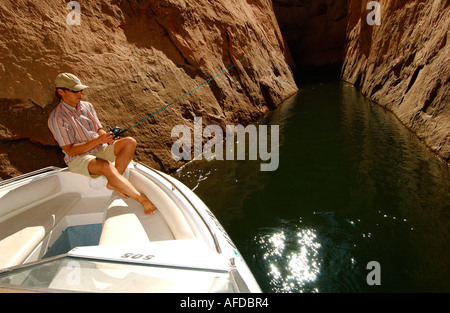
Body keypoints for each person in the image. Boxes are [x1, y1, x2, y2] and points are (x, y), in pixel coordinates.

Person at [48, 73, 157, 215]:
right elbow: (70, 150)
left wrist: (106, 137)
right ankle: (142, 200)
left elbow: (98, 129)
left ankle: (114, 182)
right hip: (79, 158)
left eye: (81, 90)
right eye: (75, 90)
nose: (80, 93)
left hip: (100, 148)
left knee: (129, 142)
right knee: (106, 166)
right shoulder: (57, 118)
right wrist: (98, 141)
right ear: (60, 92)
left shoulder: (87, 106)